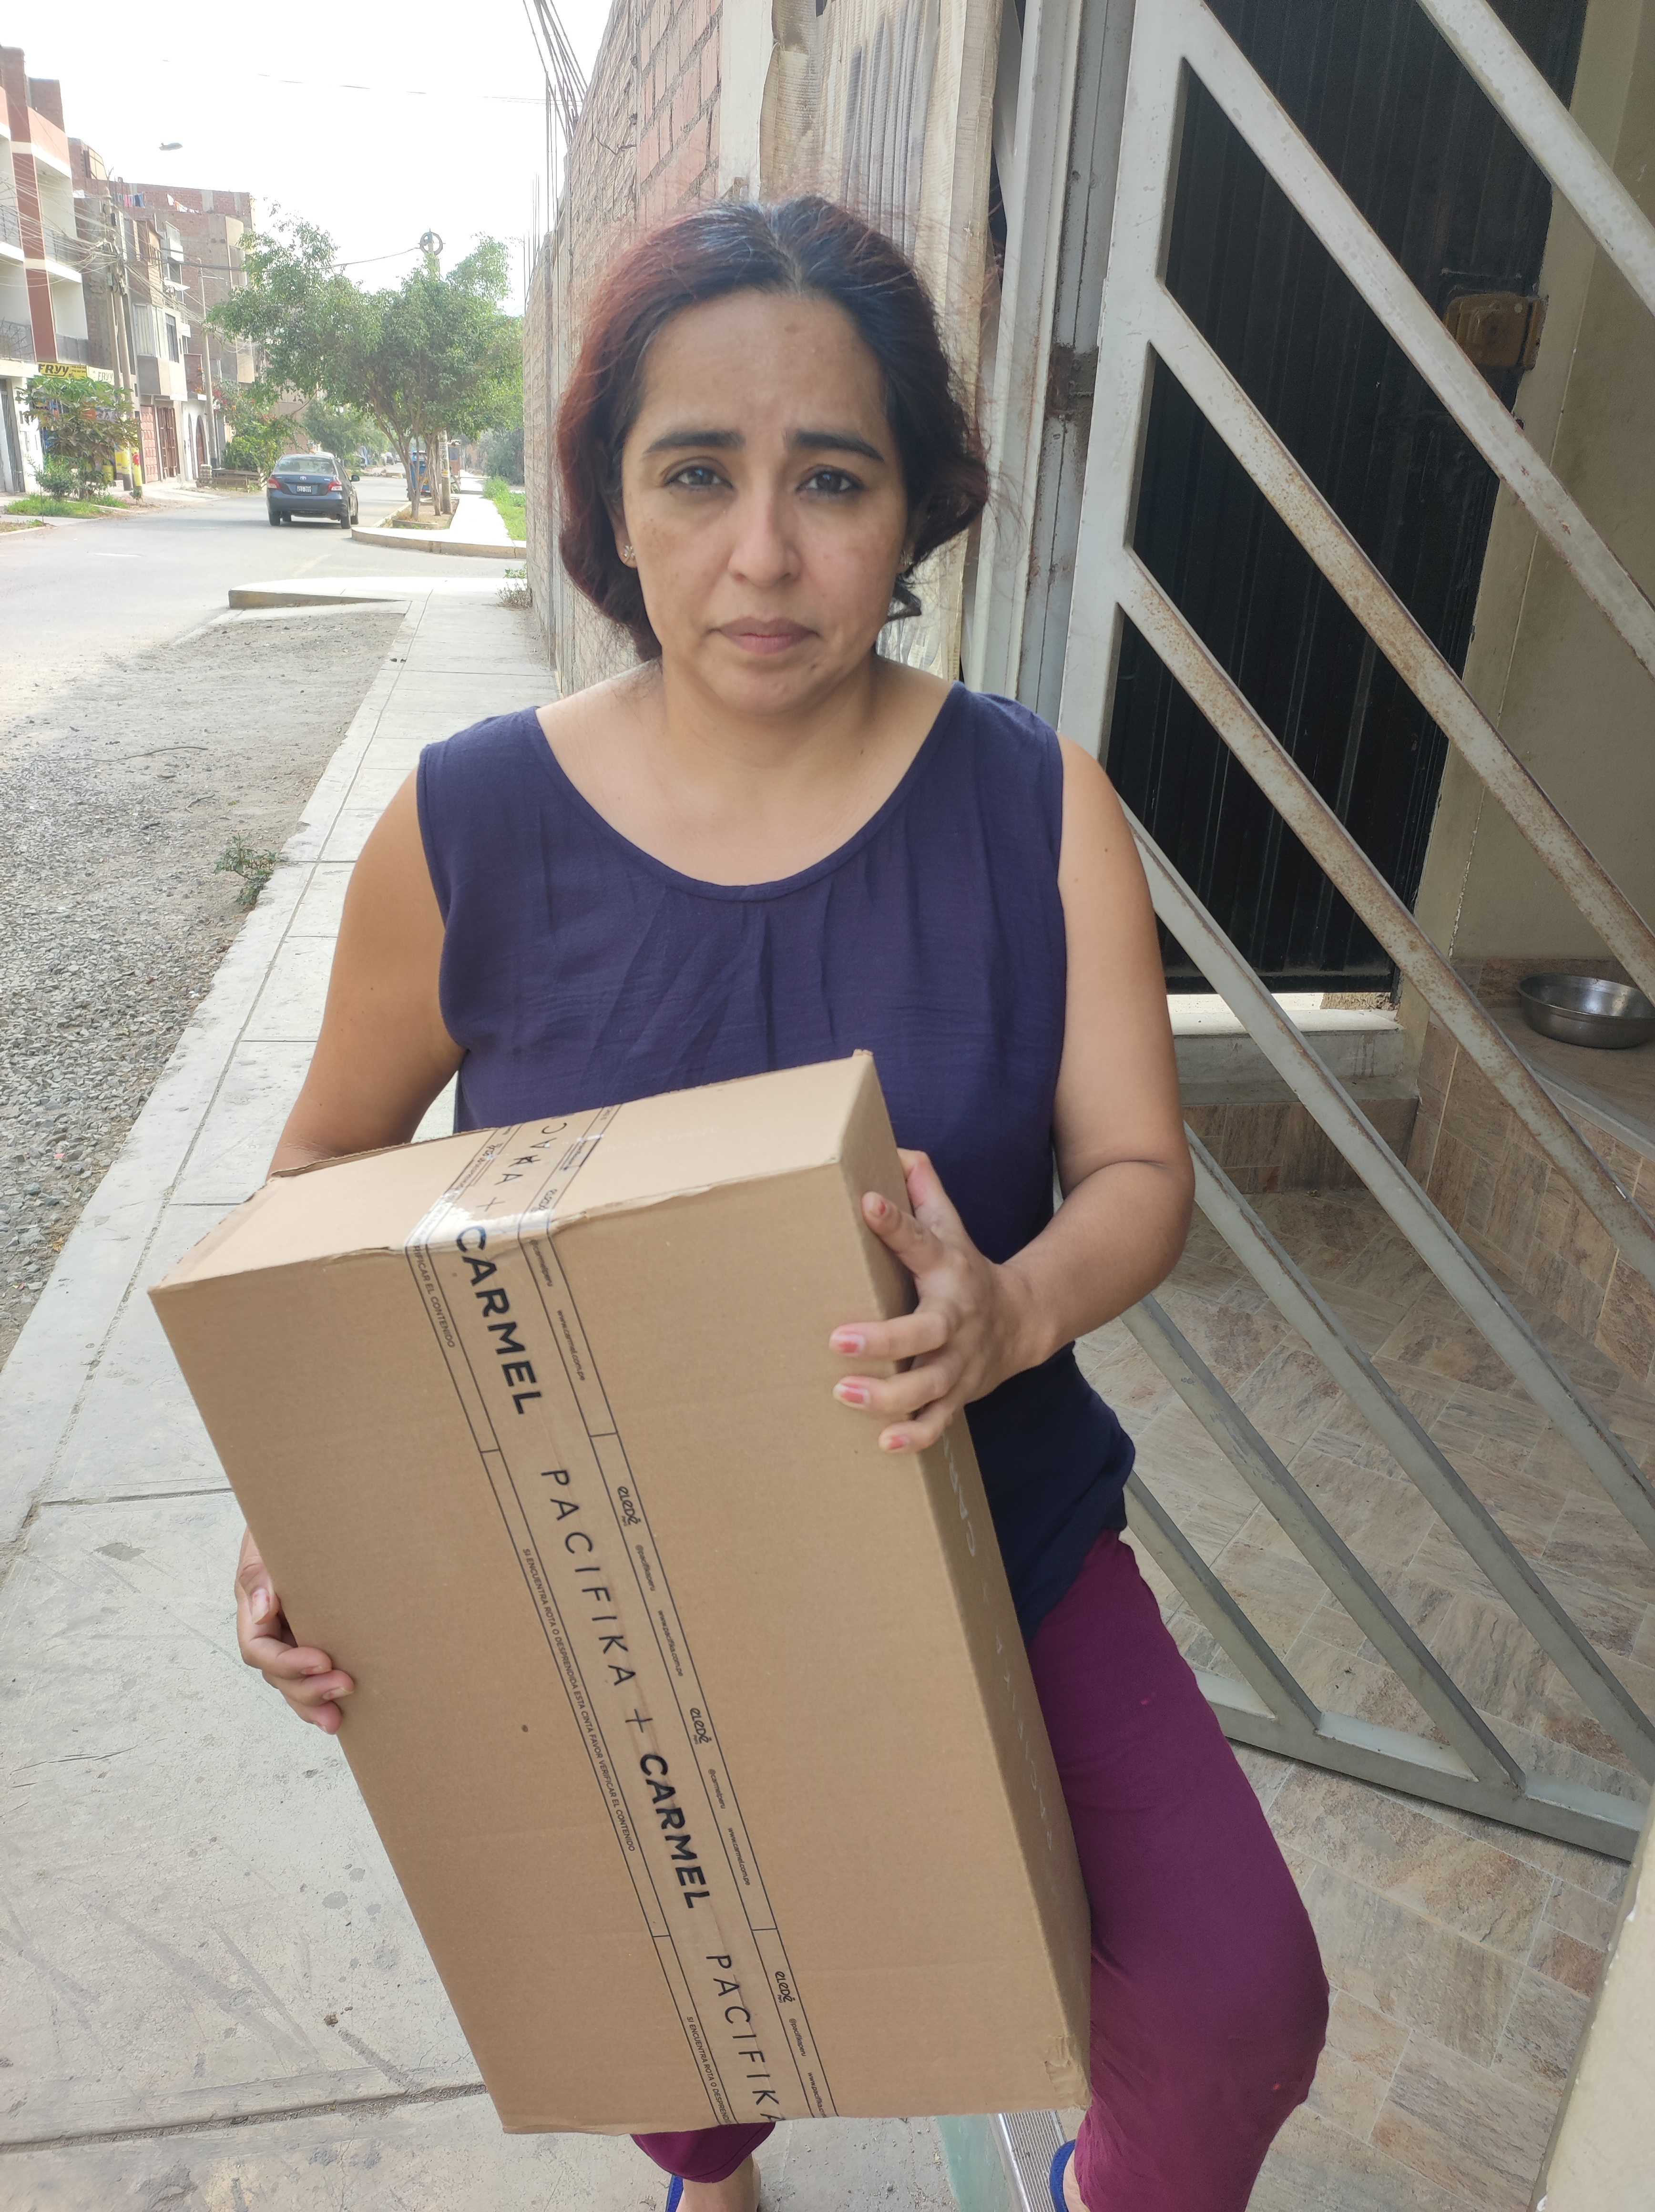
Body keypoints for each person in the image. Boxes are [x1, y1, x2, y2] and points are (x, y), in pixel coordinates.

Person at [233, 195, 1328, 2212]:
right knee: (668, 2002)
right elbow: (320, 1180)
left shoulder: (1033, 805)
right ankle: (713, 2173)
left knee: (1235, 2003)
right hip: (598, 1561)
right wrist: (317, 1504)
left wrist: (1011, 1309)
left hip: (989, 1520)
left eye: (830, 478)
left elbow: (1135, 1173)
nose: (761, 552)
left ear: (911, 512)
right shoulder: (468, 826)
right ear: (607, 501)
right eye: (695, 473)